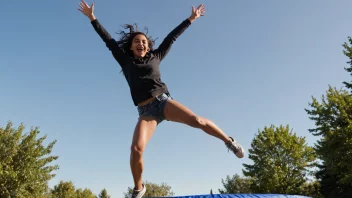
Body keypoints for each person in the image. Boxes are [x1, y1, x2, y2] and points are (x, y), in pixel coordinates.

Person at [78, 1, 244, 197]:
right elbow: (108, 41)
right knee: (136, 149)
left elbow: (171, 37)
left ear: (148, 46)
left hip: (163, 102)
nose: (140, 44)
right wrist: (92, 18)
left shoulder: (156, 56)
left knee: (197, 121)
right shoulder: (125, 60)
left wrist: (191, 19)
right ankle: (139, 189)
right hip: (146, 113)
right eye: (136, 42)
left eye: (143, 42)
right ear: (131, 47)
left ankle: (229, 141)